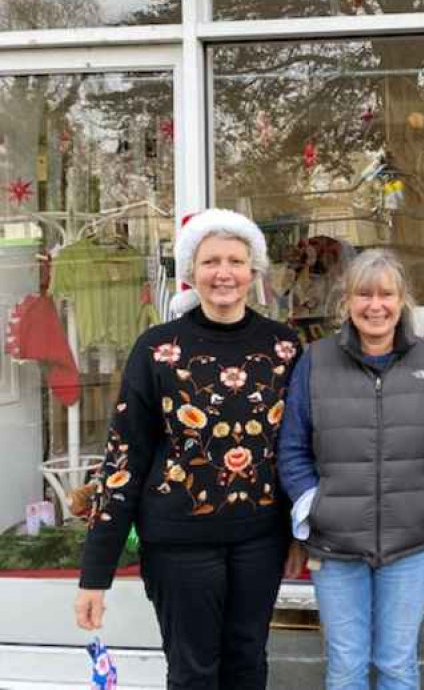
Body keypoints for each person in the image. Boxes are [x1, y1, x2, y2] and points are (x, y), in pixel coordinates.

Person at [75, 209, 305, 690]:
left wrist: (300, 534)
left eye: (236, 261)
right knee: (192, 673)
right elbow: (124, 458)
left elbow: (298, 447)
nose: (224, 273)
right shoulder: (158, 349)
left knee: (248, 665)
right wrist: (96, 574)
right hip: (178, 543)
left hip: (259, 542)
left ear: (253, 270)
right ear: (190, 272)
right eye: (210, 261)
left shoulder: (284, 347)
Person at [277, 248, 424, 690]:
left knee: (397, 664)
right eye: (364, 294)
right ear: (346, 301)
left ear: (402, 300)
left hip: (410, 543)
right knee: (345, 667)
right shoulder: (316, 362)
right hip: (335, 544)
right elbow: (291, 448)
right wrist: (314, 503)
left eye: (386, 294)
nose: (375, 305)